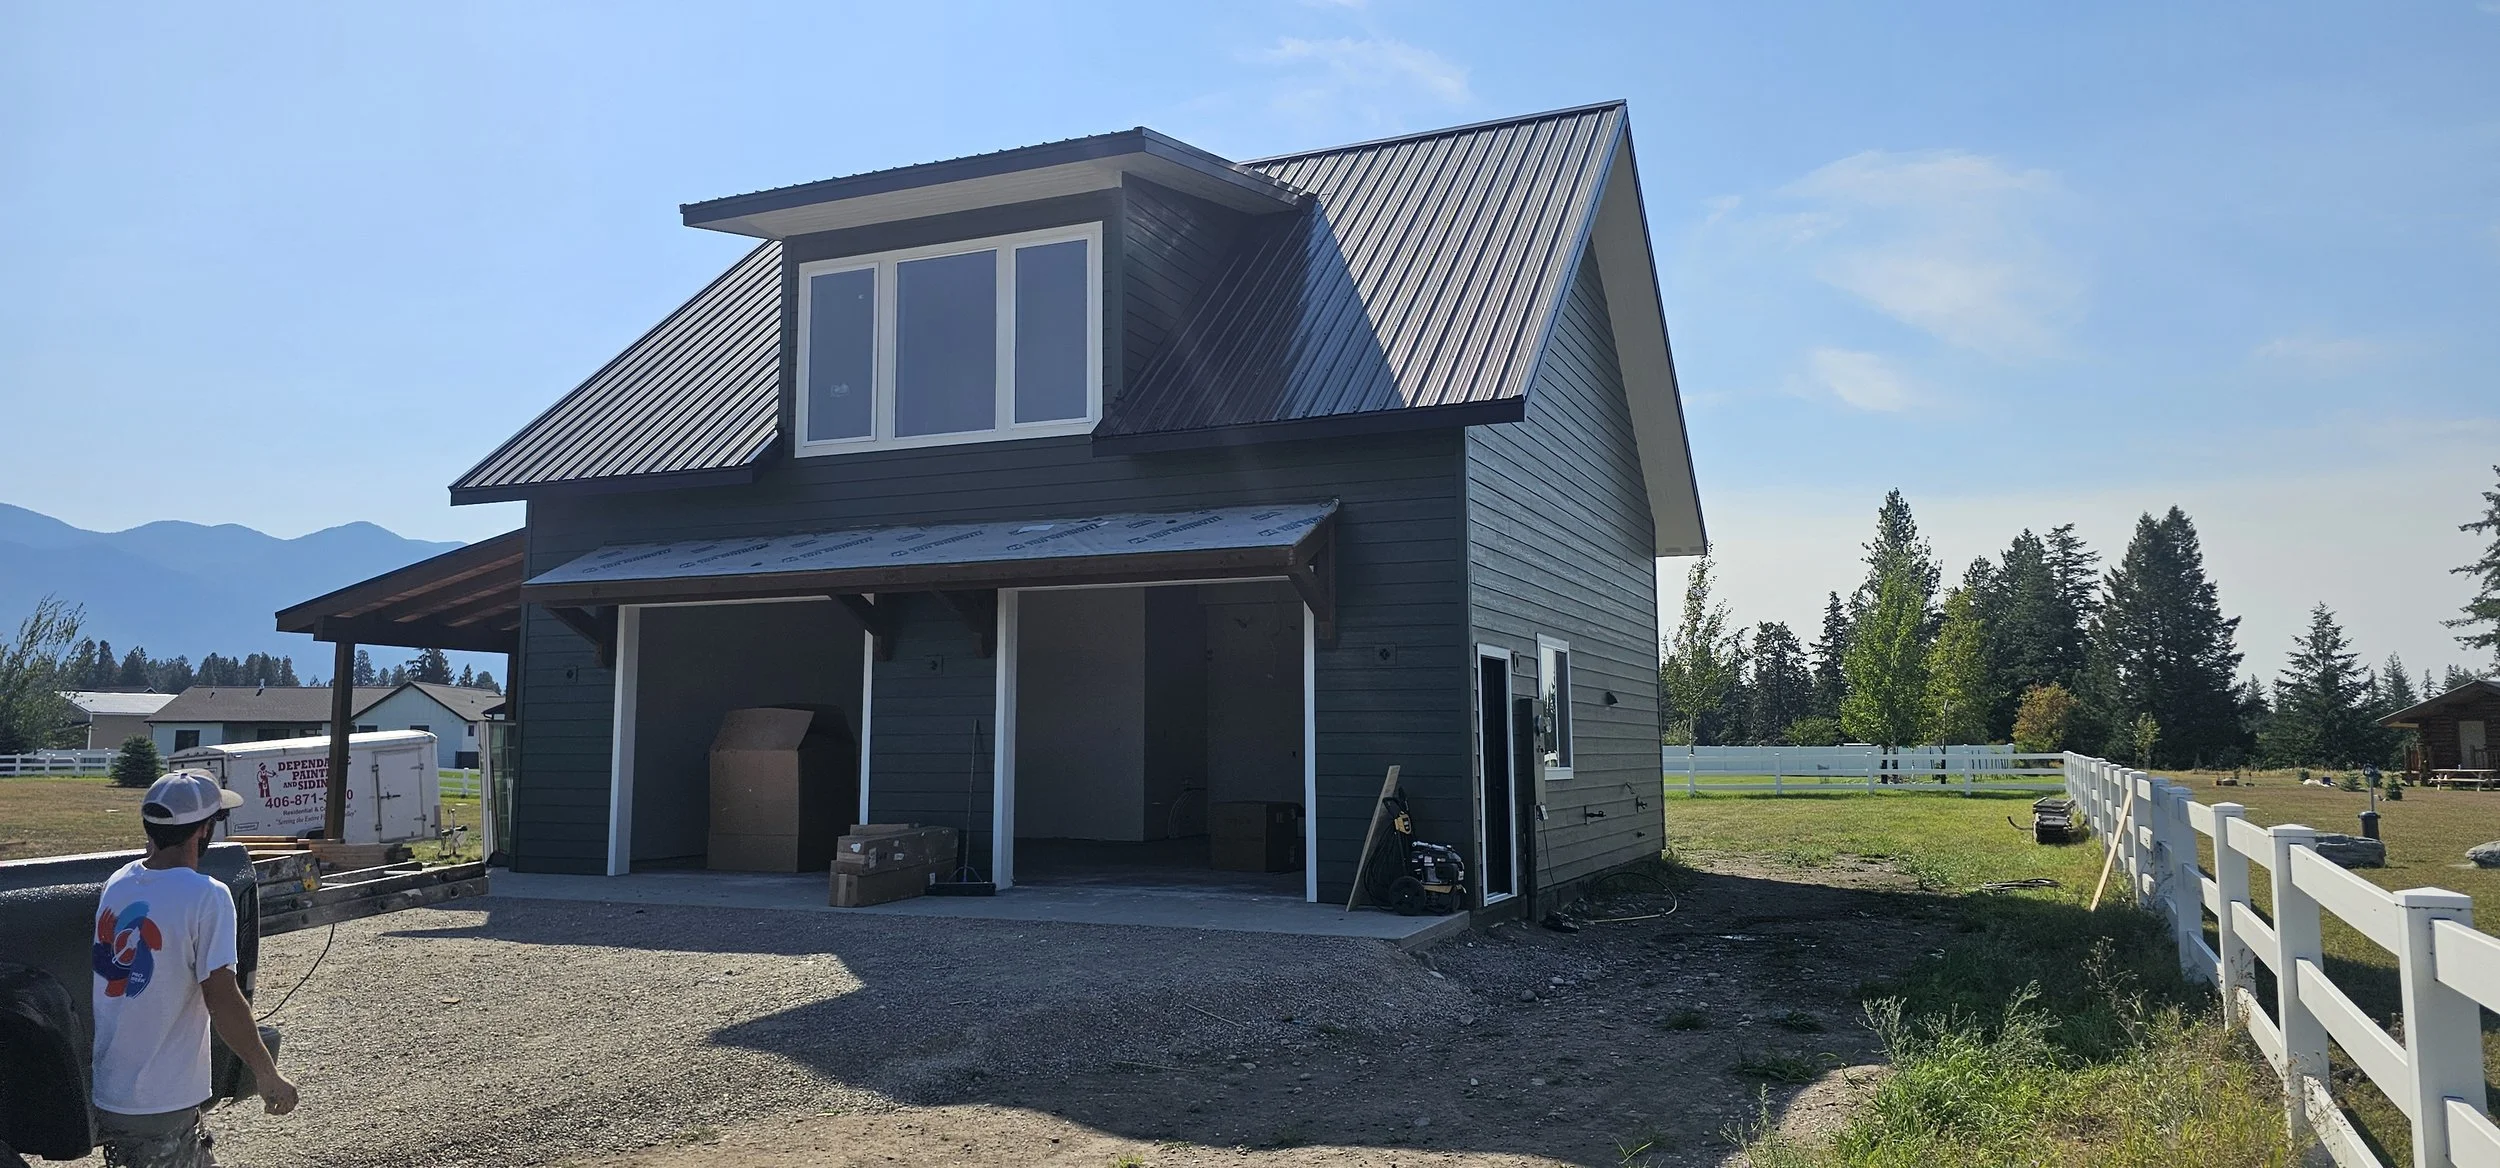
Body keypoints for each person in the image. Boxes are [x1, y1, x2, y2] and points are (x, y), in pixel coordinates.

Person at [90, 771, 299, 1167]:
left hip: (117, 1091)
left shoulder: (119, 883)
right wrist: (266, 1073)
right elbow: (221, 996)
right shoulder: (207, 896)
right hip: (160, 1101)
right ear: (203, 830)